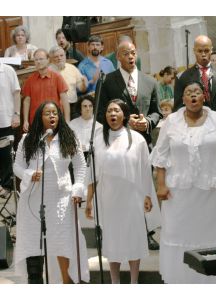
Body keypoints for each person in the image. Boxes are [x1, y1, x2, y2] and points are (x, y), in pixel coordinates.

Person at [150, 81, 216, 283]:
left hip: (210, 191)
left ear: (204, 96)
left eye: (197, 92)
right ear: (183, 99)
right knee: (177, 234)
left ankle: (209, 280)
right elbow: (160, 156)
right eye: (188, 93)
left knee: (208, 235)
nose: (193, 96)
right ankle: (179, 279)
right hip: (178, 193)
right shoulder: (171, 121)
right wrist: (161, 185)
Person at [13, 101, 89, 283]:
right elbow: (17, 166)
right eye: (47, 113)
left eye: (55, 112)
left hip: (61, 199)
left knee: (63, 241)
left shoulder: (69, 137)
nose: (52, 116)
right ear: (40, 117)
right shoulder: (28, 139)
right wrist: (29, 174)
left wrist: (78, 188)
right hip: (33, 200)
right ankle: (36, 283)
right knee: (34, 242)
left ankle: (66, 281)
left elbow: (80, 166)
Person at [99, 40, 162, 250]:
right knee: (124, 189)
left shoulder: (150, 81)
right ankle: (121, 232)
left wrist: (148, 122)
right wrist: (126, 123)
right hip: (118, 143)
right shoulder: (109, 81)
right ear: (118, 57)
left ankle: (147, 231)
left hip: (143, 143)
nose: (130, 57)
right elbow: (101, 113)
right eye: (126, 53)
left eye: (133, 53)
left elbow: (157, 111)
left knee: (144, 187)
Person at [85, 99, 154, 284]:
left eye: (116, 110)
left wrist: (147, 195)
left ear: (124, 114)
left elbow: (145, 169)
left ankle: (133, 282)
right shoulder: (99, 139)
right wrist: (89, 200)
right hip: (108, 197)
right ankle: (114, 282)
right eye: (109, 111)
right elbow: (92, 172)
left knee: (133, 237)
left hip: (132, 196)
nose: (112, 114)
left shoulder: (137, 139)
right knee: (112, 238)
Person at [174, 35, 216, 144]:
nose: (203, 54)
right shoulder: (183, 78)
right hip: (194, 133)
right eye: (199, 51)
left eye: (206, 50)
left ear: (211, 50)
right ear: (194, 51)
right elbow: (178, 111)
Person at [22, 48, 70, 132]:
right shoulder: (30, 80)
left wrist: (67, 121)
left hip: (54, 121)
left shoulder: (57, 77)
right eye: (36, 60)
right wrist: (25, 120)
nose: (38, 62)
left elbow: (65, 99)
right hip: (36, 122)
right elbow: (27, 101)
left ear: (48, 60)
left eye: (41, 59)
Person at [49, 46, 87, 119]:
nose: (59, 58)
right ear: (51, 59)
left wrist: (84, 84)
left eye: (61, 55)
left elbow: (81, 89)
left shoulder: (72, 68)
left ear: (65, 56)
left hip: (73, 105)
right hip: (56, 107)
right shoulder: (49, 71)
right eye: (56, 57)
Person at [0, 62, 21, 195]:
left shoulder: (7, 70)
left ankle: (7, 186)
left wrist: (16, 114)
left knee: (7, 154)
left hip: (6, 119)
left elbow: (16, 94)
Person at [68, 94, 102, 160]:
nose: (88, 109)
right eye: (85, 106)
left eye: (90, 106)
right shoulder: (72, 124)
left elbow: (99, 146)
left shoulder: (99, 127)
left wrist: (86, 147)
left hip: (93, 159)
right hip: (75, 158)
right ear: (80, 108)